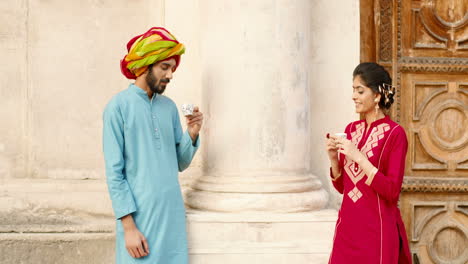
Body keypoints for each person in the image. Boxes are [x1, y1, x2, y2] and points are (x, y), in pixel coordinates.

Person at [103, 27, 203, 264]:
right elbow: (114, 174)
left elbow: (179, 162)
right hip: (139, 218)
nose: (170, 75)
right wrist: (128, 228)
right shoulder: (118, 107)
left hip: (171, 215)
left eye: (173, 69)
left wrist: (192, 134)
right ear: (145, 64)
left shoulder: (168, 107)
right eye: (164, 67)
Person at [326, 62, 411, 264]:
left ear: (377, 95)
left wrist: (359, 157)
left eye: (360, 90)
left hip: (377, 232)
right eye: (353, 90)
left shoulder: (395, 134)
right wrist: (333, 159)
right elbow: (343, 187)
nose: (353, 96)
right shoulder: (351, 129)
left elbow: (392, 191)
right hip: (347, 229)